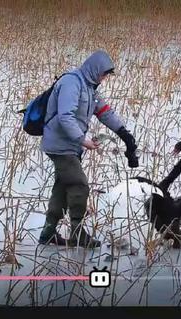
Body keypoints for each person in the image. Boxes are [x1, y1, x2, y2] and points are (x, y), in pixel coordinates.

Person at [39, 50, 139, 248]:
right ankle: (77, 232)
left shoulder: (90, 87)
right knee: (79, 185)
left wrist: (124, 134)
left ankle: (48, 232)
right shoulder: (71, 83)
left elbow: (104, 112)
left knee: (62, 186)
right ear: (95, 69)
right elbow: (64, 116)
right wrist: (82, 140)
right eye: (103, 74)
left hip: (70, 146)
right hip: (60, 145)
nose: (104, 78)